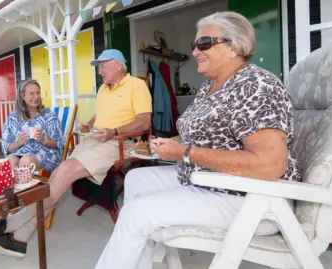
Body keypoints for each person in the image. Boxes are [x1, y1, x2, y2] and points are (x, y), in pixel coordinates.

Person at [94, 11, 302, 269]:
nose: (194, 52)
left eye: (204, 44)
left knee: (137, 214)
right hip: (209, 178)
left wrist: (185, 153)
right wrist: (165, 145)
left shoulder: (256, 84)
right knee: (135, 179)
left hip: (250, 197)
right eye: (195, 45)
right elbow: (202, 134)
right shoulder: (211, 86)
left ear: (234, 47)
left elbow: (270, 164)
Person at [0, 49, 152, 257]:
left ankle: (12, 221)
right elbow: (100, 116)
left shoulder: (136, 85)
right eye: (99, 66)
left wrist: (114, 131)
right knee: (56, 177)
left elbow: (144, 121)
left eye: (103, 65)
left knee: (65, 171)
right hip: (95, 140)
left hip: (119, 142)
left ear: (118, 64)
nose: (99, 70)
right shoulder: (103, 89)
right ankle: (20, 238)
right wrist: (89, 124)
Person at [0, 79, 64, 257]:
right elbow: (7, 148)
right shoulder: (13, 118)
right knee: (10, 162)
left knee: (25, 162)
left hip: (45, 155)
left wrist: (43, 139)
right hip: (21, 153)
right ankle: (10, 207)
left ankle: (15, 212)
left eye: (38, 92)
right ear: (22, 96)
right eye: (31, 93)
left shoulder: (49, 115)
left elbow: (59, 143)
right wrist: (17, 142)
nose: (36, 97)